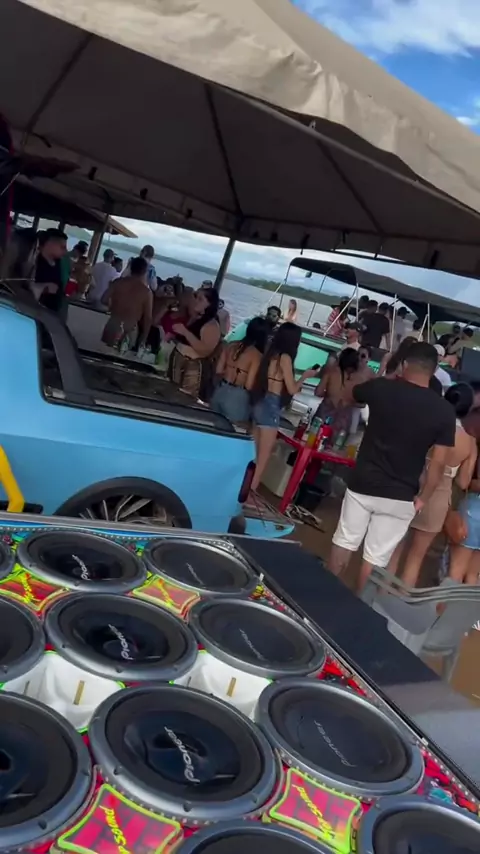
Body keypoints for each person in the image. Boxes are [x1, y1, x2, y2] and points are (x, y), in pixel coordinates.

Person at [329, 342, 456, 592]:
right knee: (375, 559)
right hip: (402, 494)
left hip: (363, 482)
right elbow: (438, 463)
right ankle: (359, 606)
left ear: (405, 364)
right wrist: (423, 498)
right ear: (433, 371)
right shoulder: (444, 411)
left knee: (344, 540)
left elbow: (349, 395)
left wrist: (388, 375)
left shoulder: (382, 388)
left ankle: (322, 595)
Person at [389, 383, 476, 588]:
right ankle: (399, 599)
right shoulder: (469, 442)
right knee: (416, 557)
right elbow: (463, 482)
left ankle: (378, 595)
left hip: (411, 487)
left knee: (394, 548)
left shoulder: (428, 424)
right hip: (439, 499)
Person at [250, 323, 318, 491]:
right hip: (271, 406)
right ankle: (248, 493)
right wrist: (305, 376)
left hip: (260, 401)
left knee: (252, 456)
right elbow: (292, 389)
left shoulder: (271, 353)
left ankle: (240, 489)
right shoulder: (285, 358)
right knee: (262, 460)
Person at [211, 317, 268, 423]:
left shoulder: (230, 345)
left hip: (220, 390)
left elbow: (218, 370)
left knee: (213, 425)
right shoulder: (257, 356)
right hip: (238, 397)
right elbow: (249, 384)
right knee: (231, 430)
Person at [169, 287, 221, 399]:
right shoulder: (195, 317)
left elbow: (205, 351)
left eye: (200, 299)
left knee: (185, 398)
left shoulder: (212, 325)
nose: (196, 301)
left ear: (209, 304)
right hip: (178, 360)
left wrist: (185, 332)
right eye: (196, 297)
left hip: (192, 367)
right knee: (171, 393)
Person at [101, 256, 153, 351]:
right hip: (130, 328)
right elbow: (148, 318)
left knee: (104, 353)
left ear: (131, 268)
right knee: (122, 356)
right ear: (145, 271)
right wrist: (143, 339)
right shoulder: (146, 292)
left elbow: (104, 299)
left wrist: (113, 306)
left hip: (113, 323)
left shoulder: (117, 282)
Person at [314, 347, 363, 438]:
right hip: (343, 420)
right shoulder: (358, 379)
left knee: (314, 440)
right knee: (335, 445)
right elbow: (362, 404)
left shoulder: (331, 372)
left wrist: (329, 394)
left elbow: (318, 392)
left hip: (324, 414)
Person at [448, 450, 480, 585]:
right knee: (473, 574)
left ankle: (446, 600)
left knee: (456, 569)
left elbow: (463, 482)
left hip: (473, 512)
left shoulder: (473, 447)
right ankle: (467, 599)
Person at [34, 228, 68, 315]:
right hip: (37, 309)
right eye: (62, 247)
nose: (65, 251)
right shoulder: (35, 262)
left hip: (53, 311)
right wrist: (44, 288)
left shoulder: (58, 263)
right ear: (50, 245)